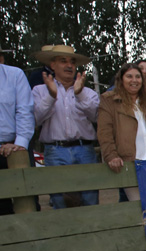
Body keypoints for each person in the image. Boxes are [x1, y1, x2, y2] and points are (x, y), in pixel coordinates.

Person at [32, 45, 100, 208]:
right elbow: (36, 119)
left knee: (90, 198)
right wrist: (51, 96)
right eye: (63, 61)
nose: (69, 65)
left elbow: (96, 116)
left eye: (72, 62)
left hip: (85, 150)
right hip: (55, 151)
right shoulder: (40, 91)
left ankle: (92, 232)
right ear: (53, 65)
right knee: (59, 199)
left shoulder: (88, 92)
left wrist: (79, 93)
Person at [97, 64, 146, 201]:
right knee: (139, 205)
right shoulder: (109, 100)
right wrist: (111, 155)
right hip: (130, 163)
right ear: (121, 79)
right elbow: (104, 132)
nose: (134, 80)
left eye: (138, 77)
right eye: (129, 76)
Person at [0, 45, 35, 215]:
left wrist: (19, 143)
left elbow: (25, 110)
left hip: (14, 148)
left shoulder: (15, 75)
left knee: (26, 200)